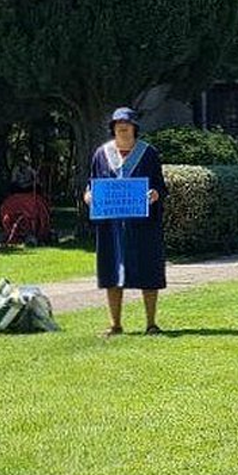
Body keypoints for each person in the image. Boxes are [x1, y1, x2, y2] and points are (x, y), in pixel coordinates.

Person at [82, 108, 167, 337]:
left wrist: (155, 194)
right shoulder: (102, 154)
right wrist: (88, 196)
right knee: (112, 270)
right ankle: (115, 324)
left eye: (127, 123)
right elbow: (93, 184)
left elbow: (160, 185)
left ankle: (151, 323)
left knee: (148, 270)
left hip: (143, 224)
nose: (123, 127)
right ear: (112, 127)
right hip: (111, 225)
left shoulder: (148, 153)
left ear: (134, 127)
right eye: (118, 123)